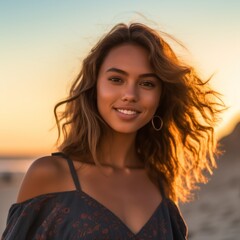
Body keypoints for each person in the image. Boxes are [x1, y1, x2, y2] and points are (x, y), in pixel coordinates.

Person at [2, 22, 224, 240]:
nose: (130, 94)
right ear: (95, 87)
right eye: (116, 79)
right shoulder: (50, 174)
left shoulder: (159, 182)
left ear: (160, 97)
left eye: (147, 83)